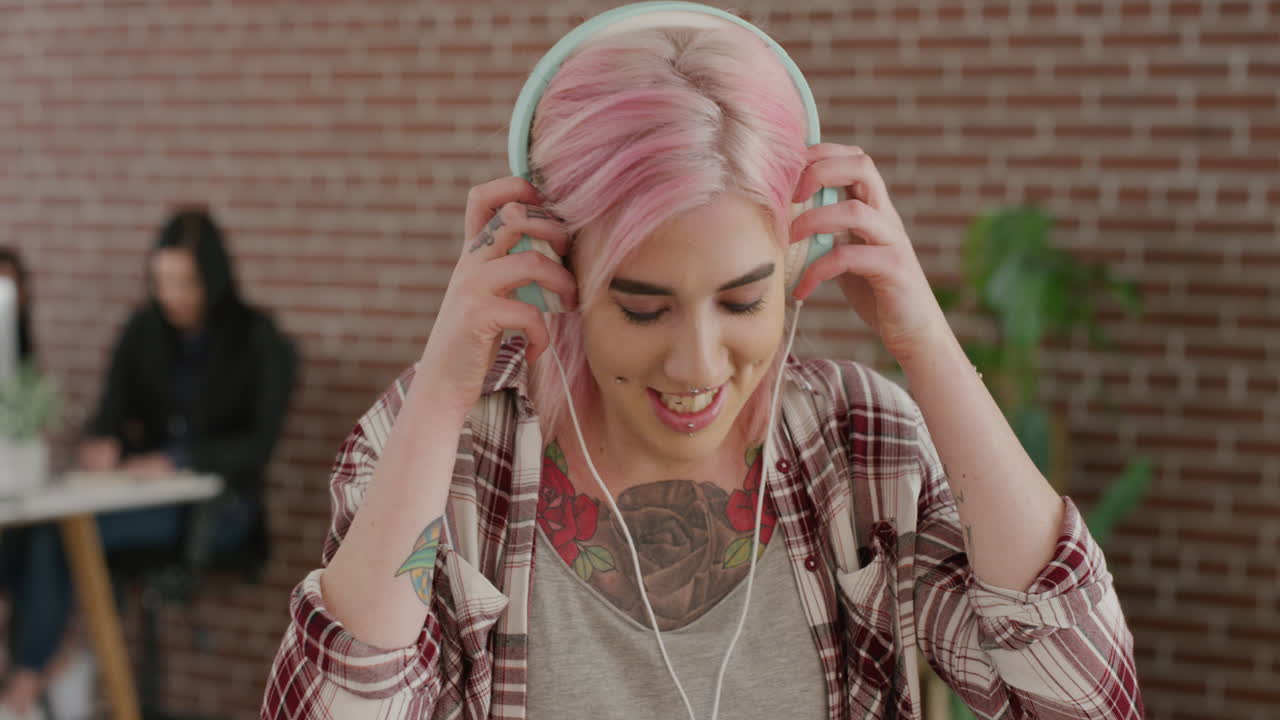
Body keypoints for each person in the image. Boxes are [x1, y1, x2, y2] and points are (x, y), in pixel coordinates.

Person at [262, 5, 1142, 719]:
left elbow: (1082, 701)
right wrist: (444, 390)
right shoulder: (434, 451)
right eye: (642, 306)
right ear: (551, 270)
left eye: (743, 300)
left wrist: (925, 343)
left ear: (797, 266)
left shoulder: (858, 440)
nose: (696, 363)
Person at [0, 210, 296, 720]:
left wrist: (175, 460)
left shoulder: (258, 340)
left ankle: (21, 692)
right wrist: (103, 442)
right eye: (161, 281)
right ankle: (55, 665)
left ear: (212, 278)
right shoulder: (144, 331)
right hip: (137, 498)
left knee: (59, 534)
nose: (171, 296)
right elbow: (108, 415)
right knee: (29, 532)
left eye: (184, 282)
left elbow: (256, 447)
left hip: (216, 511)